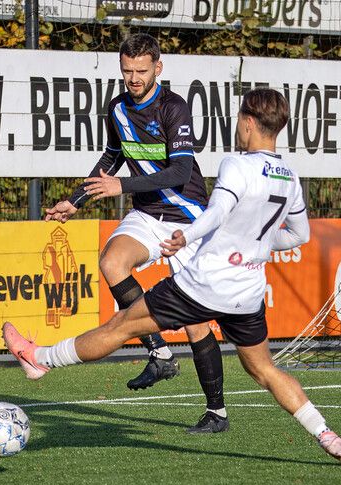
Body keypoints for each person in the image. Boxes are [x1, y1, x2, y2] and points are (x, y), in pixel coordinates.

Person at [5, 88, 341, 467]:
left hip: (205, 284)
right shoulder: (289, 177)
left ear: (247, 122)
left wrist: (187, 236)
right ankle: (329, 437)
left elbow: (214, 214)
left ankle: (39, 358)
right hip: (247, 291)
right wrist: (250, 245)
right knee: (264, 369)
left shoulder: (236, 165)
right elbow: (300, 236)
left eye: (238, 119)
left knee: (121, 325)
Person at [43, 33, 228, 433]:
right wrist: (76, 201)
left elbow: (180, 172)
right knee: (112, 262)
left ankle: (217, 413)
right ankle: (159, 352)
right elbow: (113, 156)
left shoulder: (173, 108)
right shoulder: (117, 108)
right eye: (127, 71)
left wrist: (121, 188)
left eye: (141, 71)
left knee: (196, 323)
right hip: (147, 213)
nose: (133, 78)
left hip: (186, 216)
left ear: (158, 68)